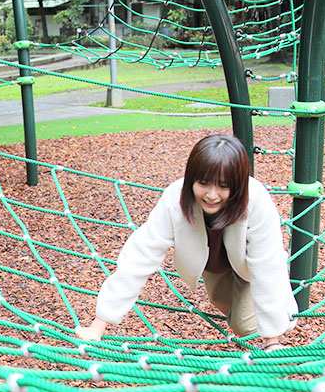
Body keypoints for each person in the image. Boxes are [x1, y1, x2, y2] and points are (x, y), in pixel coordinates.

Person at [76, 134, 298, 349]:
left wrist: (273, 342)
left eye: (222, 186)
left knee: (246, 325)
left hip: (250, 265)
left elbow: (266, 265)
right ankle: (268, 311)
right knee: (234, 315)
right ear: (191, 180)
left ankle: (284, 311)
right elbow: (140, 256)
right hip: (214, 267)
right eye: (203, 183)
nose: (212, 195)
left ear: (238, 186)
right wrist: (98, 326)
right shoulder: (175, 198)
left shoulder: (256, 200)